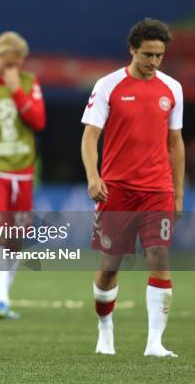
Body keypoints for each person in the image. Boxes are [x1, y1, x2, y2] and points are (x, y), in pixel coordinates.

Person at [81, 18, 183, 358]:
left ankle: (154, 342)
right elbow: (90, 135)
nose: (153, 62)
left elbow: (175, 143)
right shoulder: (108, 85)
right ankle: (105, 328)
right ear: (132, 50)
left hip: (157, 190)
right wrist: (94, 177)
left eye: (159, 56)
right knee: (110, 266)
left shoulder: (172, 89)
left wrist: (178, 192)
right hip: (117, 191)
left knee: (160, 257)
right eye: (147, 55)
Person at [0, 31, 46, 319]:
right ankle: (3, 299)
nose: (11, 68)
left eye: (16, 63)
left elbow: (39, 121)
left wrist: (17, 89)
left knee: (17, 237)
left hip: (23, 170)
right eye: (7, 62)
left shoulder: (29, 82)